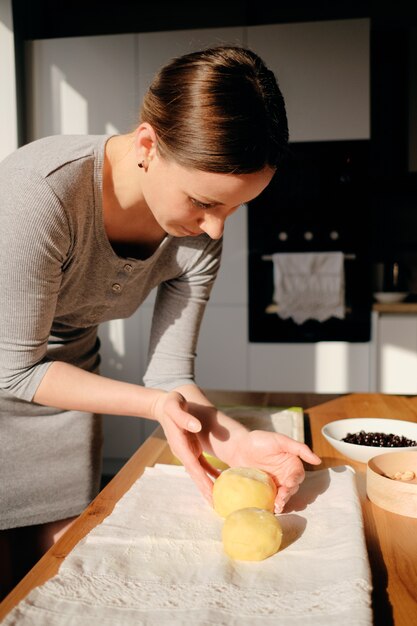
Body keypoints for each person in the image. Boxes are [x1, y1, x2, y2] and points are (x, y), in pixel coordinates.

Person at [0, 45, 321, 596]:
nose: (216, 230)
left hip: (72, 391)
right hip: (7, 379)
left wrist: (236, 442)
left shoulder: (198, 233)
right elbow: (13, 371)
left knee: (61, 573)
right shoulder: (39, 196)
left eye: (233, 209)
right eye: (203, 202)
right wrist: (153, 406)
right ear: (148, 145)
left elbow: (170, 374)